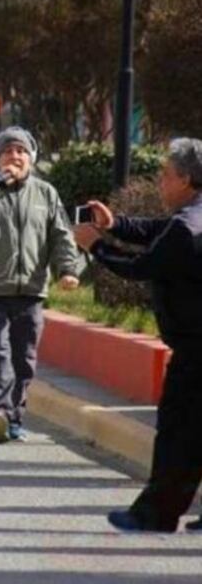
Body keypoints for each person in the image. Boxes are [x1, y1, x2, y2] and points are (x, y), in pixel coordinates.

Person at [73, 138, 202, 533]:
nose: (159, 183)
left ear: (186, 179)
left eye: (165, 175)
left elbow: (141, 266)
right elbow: (155, 232)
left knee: (178, 433)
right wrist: (115, 225)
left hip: (196, 351)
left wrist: (97, 247)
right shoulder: (191, 219)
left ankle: (154, 514)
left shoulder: (187, 227)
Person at [0, 127, 80, 444]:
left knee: (24, 359)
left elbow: (61, 235)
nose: (15, 156)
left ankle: (14, 418)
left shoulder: (45, 194)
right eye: (8, 151)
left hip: (31, 291)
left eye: (21, 151)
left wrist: (67, 269)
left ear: (31, 158)